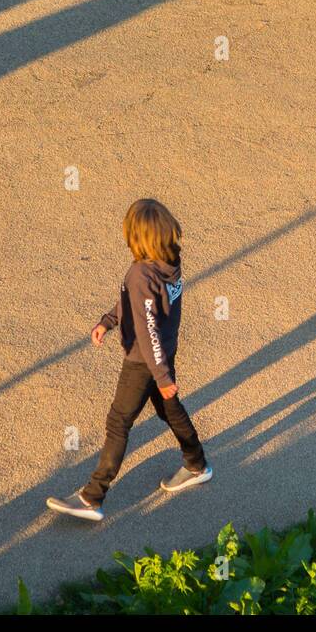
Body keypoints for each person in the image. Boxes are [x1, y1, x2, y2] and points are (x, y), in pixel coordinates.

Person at [47, 198, 211, 522]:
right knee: (169, 409)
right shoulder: (170, 262)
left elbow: (146, 328)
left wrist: (161, 376)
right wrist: (108, 320)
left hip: (144, 360)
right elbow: (138, 307)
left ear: (136, 237)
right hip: (164, 350)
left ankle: (92, 497)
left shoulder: (140, 273)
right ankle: (196, 463)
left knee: (118, 422)